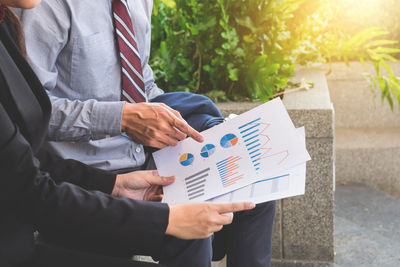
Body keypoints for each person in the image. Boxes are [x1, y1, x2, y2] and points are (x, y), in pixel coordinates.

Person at [19, 1, 276, 266]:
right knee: (190, 231)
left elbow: (142, 83)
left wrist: (180, 122)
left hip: (149, 161)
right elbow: (30, 111)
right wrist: (120, 118)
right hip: (86, 175)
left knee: (256, 189)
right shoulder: (43, 6)